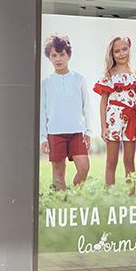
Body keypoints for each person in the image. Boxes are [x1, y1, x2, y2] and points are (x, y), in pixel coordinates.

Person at [40, 34, 91, 190]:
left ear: (68, 55)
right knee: (58, 172)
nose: (58, 59)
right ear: (49, 58)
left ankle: (74, 192)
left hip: (77, 132)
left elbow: (87, 106)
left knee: (84, 168)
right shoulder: (46, 83)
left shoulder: (79, 79)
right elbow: (42, 112)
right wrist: (43, 137)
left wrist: (88, 131)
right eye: (54, 55)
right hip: (55, 132)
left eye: (61, 54)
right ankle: (61, 199)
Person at [93, 37, 136, 190]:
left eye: (124, 49)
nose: (121, 53)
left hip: (131, 118)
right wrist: (103, 126)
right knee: (111, 161)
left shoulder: (135, 74)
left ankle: (131, 194)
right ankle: (110, 194)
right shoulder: (109, 75)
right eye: (117, 51)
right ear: (112, 54)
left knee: (129, 161)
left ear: (129, 49)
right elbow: (103, 102)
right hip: (113, 119)